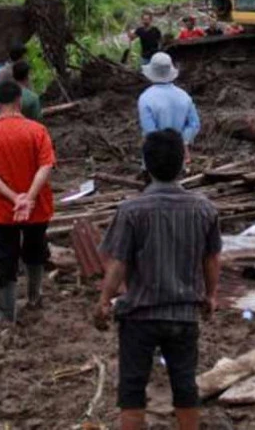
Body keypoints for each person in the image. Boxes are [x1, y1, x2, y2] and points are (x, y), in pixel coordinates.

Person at [94, 129, 222, 430]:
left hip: (139, 315)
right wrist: (211, 295)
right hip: (183, 314)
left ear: (146, 165)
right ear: (183, 163)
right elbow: (212, 258)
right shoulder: (204, 209)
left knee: (132, 389)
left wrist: (103, 300)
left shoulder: (131, 210)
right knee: (184, 383)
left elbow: (118, 264)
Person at [0, 79, 56, 322]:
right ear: (19, 100)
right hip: (37, 208)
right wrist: (28, 198)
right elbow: (45, 166)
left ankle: (7, 312)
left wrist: (14, 198)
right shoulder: (37, 131)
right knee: (36, 251)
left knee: (5, 256)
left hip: (4, 210)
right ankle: (34, 297)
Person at [138, 52, 200, 165]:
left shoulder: (145, 98)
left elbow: (150, 132)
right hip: (177, 155)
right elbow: (194, 124)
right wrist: (182, 141)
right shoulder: (184, 96)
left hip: (155, 156)